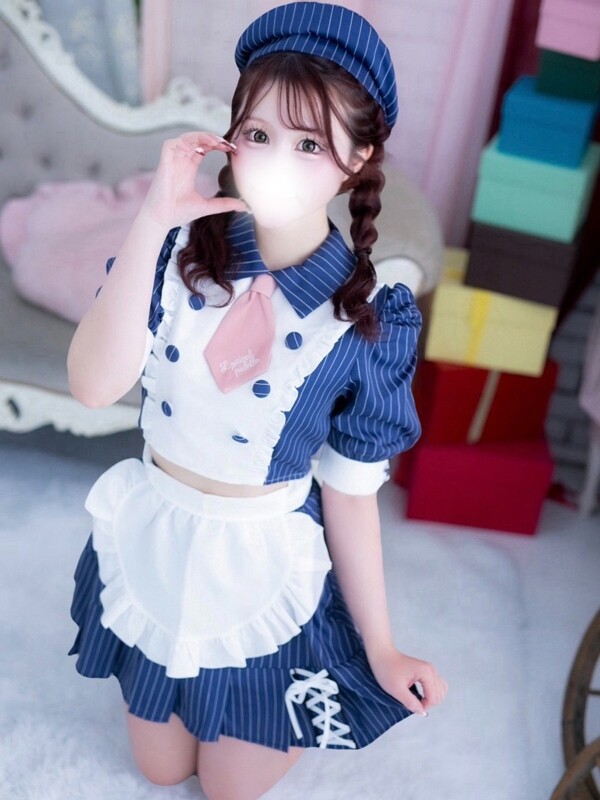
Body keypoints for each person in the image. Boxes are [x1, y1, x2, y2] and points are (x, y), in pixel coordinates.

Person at [67, 3, 448, 798]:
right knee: (159, 768)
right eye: (259, 133)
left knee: (229, 788)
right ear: (229, 139)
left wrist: (381, 646)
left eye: (309, 143)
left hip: (258, 561)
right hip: (160, 537)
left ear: (358, 159)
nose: (275, 159)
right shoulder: (174, 255)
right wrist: (152, 221)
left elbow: (349, 495)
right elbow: (93, 387)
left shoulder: (369, 320)